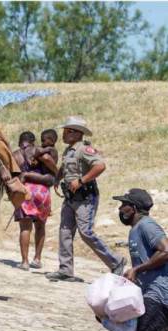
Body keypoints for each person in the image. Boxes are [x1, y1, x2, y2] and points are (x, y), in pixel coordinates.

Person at [46, 116, 125, 281]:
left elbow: (100, 165)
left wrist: (82, 180)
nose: (64, 134)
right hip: (70, 197)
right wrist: (57, 178)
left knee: (86, 232)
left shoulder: (84, 149)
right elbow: (65, 167)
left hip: (85, 198)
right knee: (65, 232)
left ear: (76, 133)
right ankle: (65, 270)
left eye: (67, 131)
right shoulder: (69, 150)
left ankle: (116, 261)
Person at [112, 189, 168, 331]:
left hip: (160, 297)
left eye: (123, 205)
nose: (120, 209)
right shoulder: (135, 230)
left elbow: (166, 250)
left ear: (133, 208)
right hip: (149, 297)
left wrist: (138, 269)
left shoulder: (147, 225)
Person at [13, 129, 59, 270]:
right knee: (40, 226)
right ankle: (37, 259)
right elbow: (46, 161)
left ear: (20, 142)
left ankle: (25, 262)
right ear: (33, 141)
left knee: (25, 226)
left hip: (25, 191)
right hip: (43, 191)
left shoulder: (15, 155)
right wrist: (57, 174)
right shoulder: (39, 150)